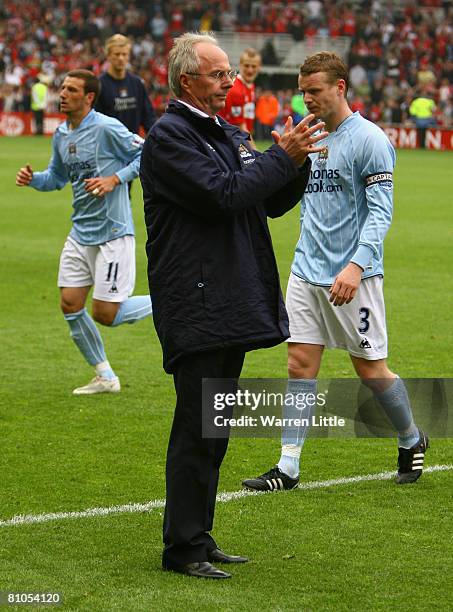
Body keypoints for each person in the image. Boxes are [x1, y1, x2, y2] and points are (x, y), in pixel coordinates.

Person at [140, 33, 327, 579]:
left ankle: (197, 535)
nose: (231, 81)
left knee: (214, 428)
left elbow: (266, 200)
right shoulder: (170, 138)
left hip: (227, 300)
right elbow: (224, 194)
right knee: (198, 429)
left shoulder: (224, 131)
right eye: (219, 73)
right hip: (197, 304)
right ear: (186, 81)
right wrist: (277, 158)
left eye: (229, 73)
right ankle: (182, 550)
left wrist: (297, 165)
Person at [242, 52, 428, 493]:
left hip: (354, 276)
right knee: (299, 365)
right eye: (303, 91)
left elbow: (381, 215)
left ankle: (410, 436)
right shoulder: (308, 134)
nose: (307, 99)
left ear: (340, 88)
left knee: (371, 371)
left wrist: (356, 266)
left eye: (315, 91)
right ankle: (287, 467)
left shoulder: (370, 140)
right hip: (306, 271)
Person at [16, 69, 152, 395]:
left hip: (113, 232)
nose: (62, 94)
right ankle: (105, 376)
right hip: (81, 232)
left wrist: (114, 179)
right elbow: (57, 178)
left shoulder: (106, 127)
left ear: (88, 97)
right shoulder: (62, 134)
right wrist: (33, 179)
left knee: (106, 314)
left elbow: (148, 153)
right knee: (70, 303)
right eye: (62, 88)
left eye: (71, 89)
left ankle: (171, 298)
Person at [95, 34, 156, 136]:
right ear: (108, 56)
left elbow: (148, 118)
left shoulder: (137, 84)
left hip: (132, 148)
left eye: (124, 54)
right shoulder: (99, 84)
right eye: (117, 54)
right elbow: (95, 122)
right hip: (108, 149)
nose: (121, 58)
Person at [218, 47, 261, 136]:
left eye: (253, 66)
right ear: (240, 65)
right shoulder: (235, 89)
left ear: (259, 67)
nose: (250, 70)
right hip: (230, 138)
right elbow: (241, 128)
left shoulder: (250, 86)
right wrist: (252, 149)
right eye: (246, 65)